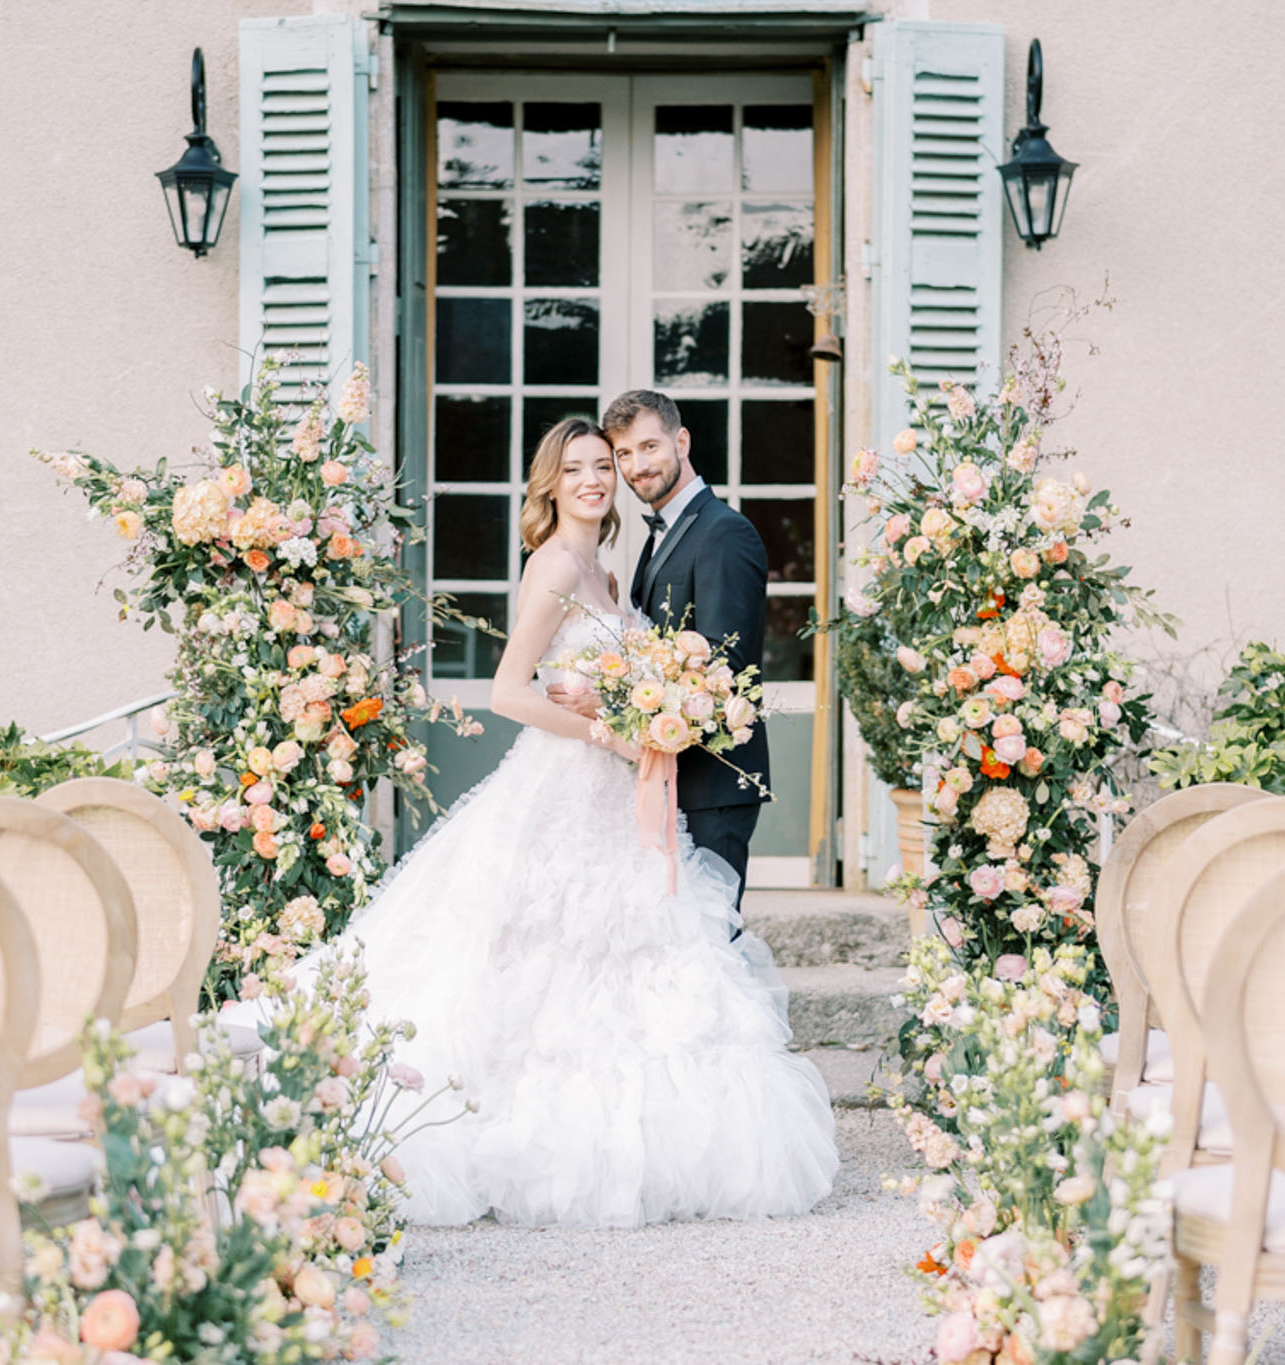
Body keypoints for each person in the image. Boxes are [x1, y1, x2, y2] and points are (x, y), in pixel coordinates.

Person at [232, 416, 836, 1229]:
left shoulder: (610, 572)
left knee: (622, 952)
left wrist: (631, 716)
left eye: (605, 465)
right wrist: (606, 730)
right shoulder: (553, 565)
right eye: (579, 467)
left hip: (618, 793)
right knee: (526, 950)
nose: (596, 478)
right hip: (564, 784)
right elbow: (509, 692)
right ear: (550, 483)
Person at [548, 390, 771, 918]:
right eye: (623, 455)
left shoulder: (723, 532)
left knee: (709, 942)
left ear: (681, 440)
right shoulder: (660, 538)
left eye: (649, 447)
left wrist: (615, 700)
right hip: (669, 776)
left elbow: (724, 667)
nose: (637, 466)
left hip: (711, 783)